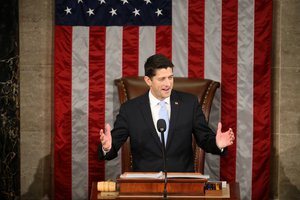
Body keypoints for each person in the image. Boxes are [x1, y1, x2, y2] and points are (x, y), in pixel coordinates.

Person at [98, 54, 235, 172]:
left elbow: (204, 138)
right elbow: (113, 143)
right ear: (148, 81)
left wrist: (217, 144)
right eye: (162, 79)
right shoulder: (130, 109)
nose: (168, 83)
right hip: (145, 184)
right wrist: (107, 147)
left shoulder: (189, 103)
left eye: (170, 77)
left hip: (182, 183)